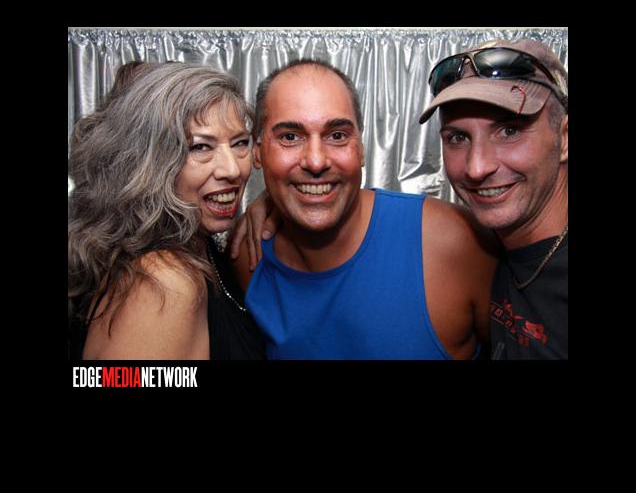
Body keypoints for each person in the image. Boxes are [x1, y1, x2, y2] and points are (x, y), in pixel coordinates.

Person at [232, 59, 498, 360]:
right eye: (290, 137)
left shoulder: (452, 242)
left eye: (337, 135)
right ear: (257, 153)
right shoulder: (248, 254)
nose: (316, 161)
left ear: (360, 148)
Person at [68, 62, 266, 360]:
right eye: (200, 147)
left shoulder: (198, 245)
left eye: (240, 143)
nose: (233, 169)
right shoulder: (164, 282)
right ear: (150, 162)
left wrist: (271, 200)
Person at [418, 38, 568, 359]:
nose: (477, 168)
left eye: (510, 131)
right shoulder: (483, 247)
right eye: (458, 137)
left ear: (564, 138)